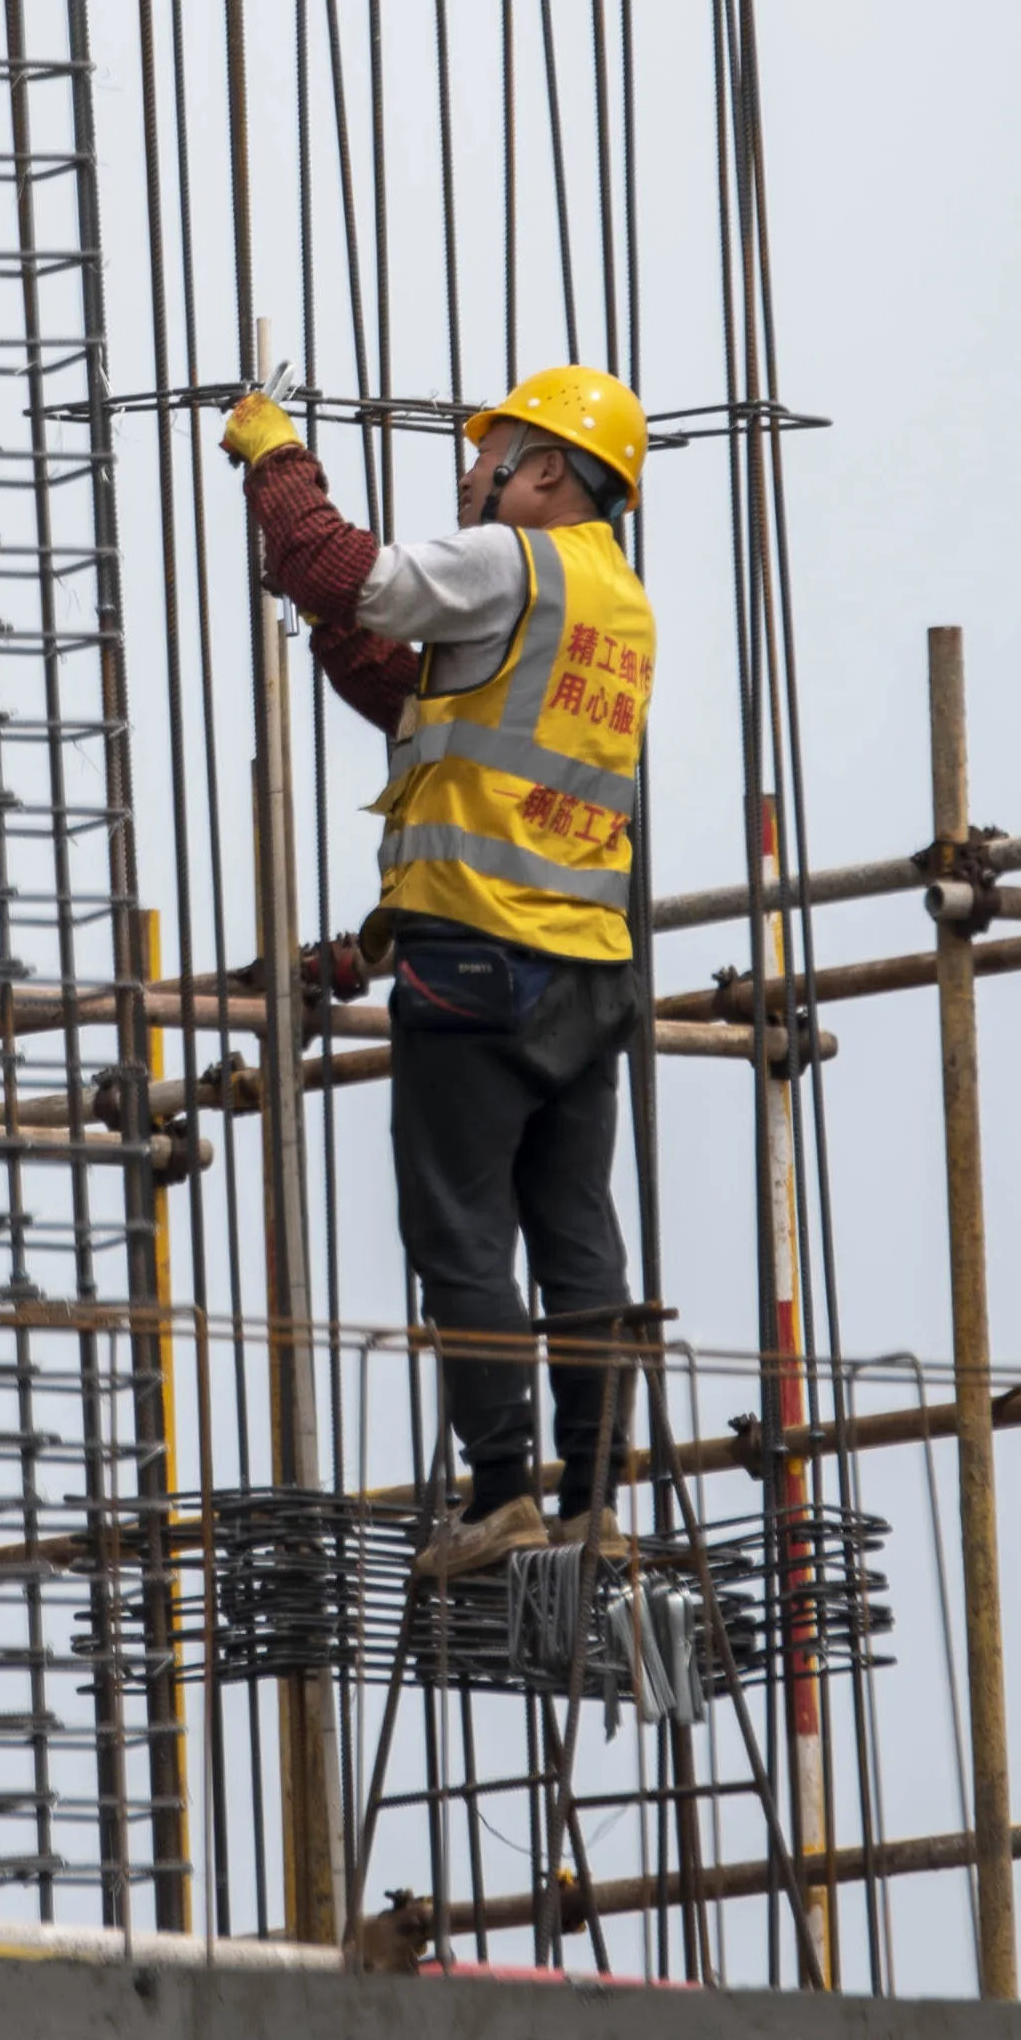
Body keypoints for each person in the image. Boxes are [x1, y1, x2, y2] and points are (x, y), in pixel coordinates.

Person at [218, 361, 658, 1581]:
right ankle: (595, 1500)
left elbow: (342, 568)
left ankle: (503, 1493)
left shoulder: (515, 561)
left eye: (488, 456)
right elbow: (431, 708)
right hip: (591, 969)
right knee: (576, 1230)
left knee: (461, 1229)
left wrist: (277, 459)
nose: (469, 476)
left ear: (545, 470)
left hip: (477, 965)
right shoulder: (617, 602)